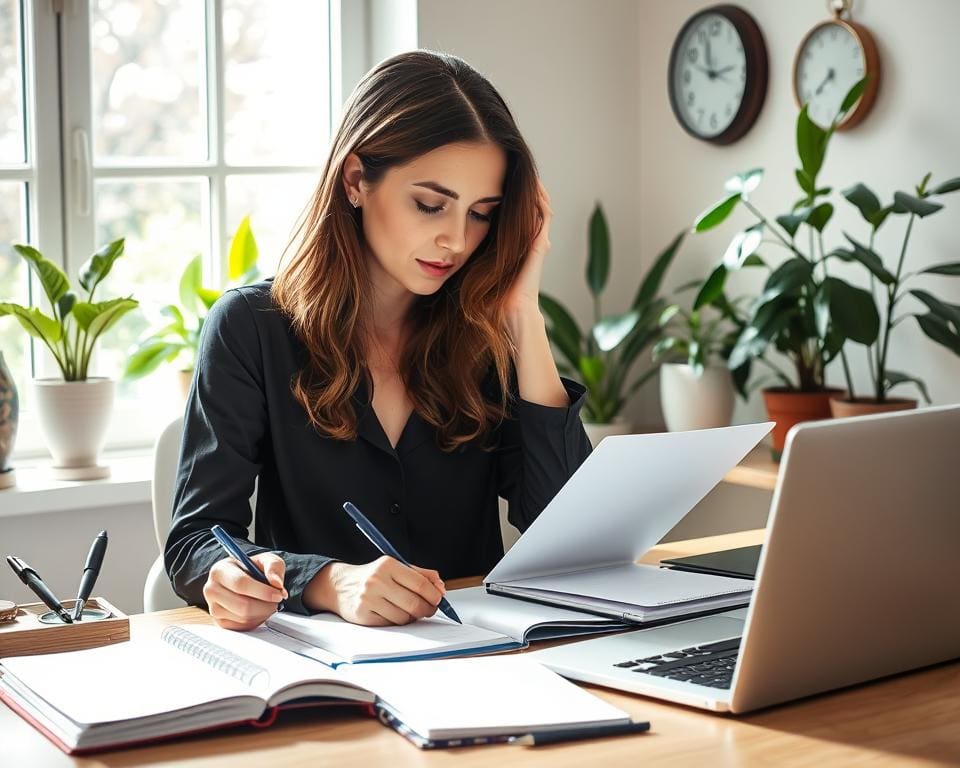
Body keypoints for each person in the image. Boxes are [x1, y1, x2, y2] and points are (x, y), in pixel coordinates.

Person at [164, 50, 592, 632]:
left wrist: (524, 314)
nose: (457, 240)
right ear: (356, 179)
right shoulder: (252, 327)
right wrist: (324, 579)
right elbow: (195, 544)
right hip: (327, 678)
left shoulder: (485, 337)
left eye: (482, 214)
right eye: (430, 204)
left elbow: (572, 541)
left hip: (484, 664)